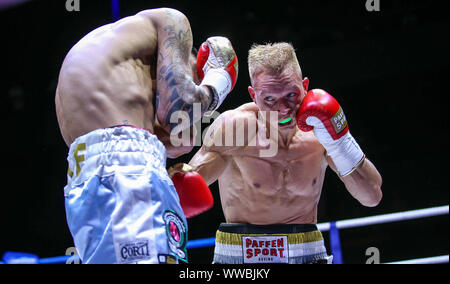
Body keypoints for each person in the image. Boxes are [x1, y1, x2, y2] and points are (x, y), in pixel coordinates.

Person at [55, 8, 238, 264]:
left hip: (84, 182)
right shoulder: (171, 20)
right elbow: (181, 108)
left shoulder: (112, 65)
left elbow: (179, 141)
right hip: (128, 170)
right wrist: (219, 83)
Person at [188, 42, 383, 264]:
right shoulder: (234, 128)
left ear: (305, 86)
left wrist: (340, 143)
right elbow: (183, 192)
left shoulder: (319, 130)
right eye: (269, 99)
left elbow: (372, 196)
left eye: (291, 94)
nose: (283, 109)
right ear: (253, 95)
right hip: (240, 258)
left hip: (307, 254)